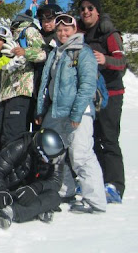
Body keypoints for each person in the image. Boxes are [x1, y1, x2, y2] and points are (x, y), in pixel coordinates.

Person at [35, 13, 106, 213]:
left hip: (79, 112)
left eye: (66, 29)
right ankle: (65, 190)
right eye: (59, 30)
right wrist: (41, 110)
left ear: (75, 30)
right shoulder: (56, 53)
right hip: (56, 111)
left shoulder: (83, 52)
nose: (62, 33)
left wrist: (76, 113)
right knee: (53, 151)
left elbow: (88, 85)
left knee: (81, 155)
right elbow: (46, 84)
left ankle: (95, 201)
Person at [77, 0, 126, 203]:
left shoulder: (109, 34)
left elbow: (122, 62)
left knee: (109, 139)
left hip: (111, 94)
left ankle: (115, 185)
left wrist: (105, 59)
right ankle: (97, 181)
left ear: (98, 11)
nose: (86, 12)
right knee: (93, 139)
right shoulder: (81, 33)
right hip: (91, 95)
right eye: (82, 9)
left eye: (90, 8)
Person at [0, 128, 65, 229]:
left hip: (31, 193)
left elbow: (56, 182)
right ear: (39, 152)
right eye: (48, 159)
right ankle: (34, 210)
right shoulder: (19, 147)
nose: (52, 162)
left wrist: (36, 188)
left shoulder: (57, 155)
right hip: (9, 190)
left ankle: (11, 211)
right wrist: (1, 190)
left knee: (54, 197)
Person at [0, 12, 46, 152]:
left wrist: (25, 52)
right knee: (0, 137)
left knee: (13, 136)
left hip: (20, 90)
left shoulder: (29, 30)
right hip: (6, 93)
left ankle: (14, 164)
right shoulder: (13, 35)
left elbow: (42, 53)